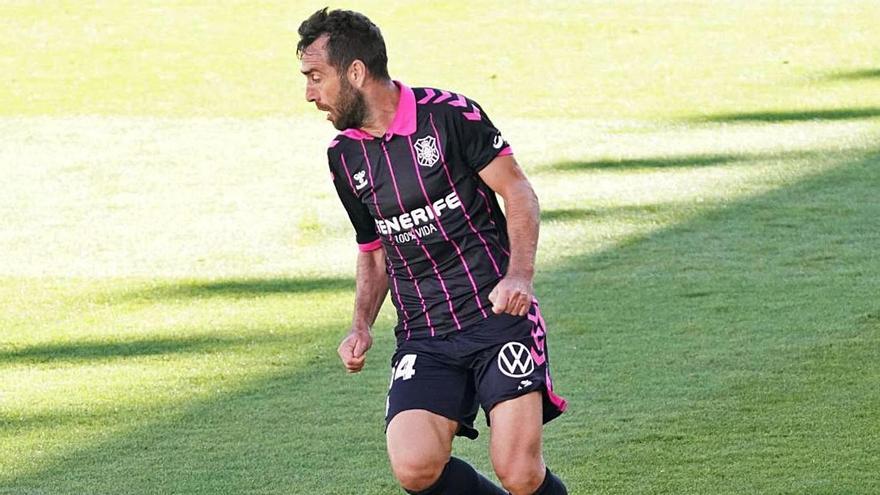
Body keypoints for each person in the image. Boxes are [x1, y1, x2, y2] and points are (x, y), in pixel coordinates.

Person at [297, 8, 568, 495]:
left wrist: (520, 276)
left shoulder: (449, 116)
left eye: (317, 77)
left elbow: (519, 192)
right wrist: (360, 324)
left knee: (520, 474)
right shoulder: (344, 157)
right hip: (425, 334)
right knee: (415, 465)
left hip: (496, 317)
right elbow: (374, 249)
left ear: (355, 72)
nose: (310, 93)